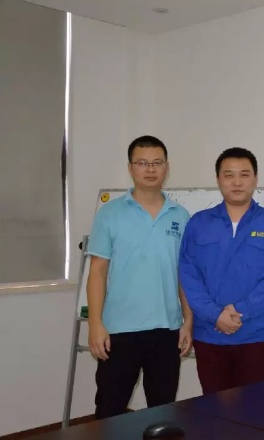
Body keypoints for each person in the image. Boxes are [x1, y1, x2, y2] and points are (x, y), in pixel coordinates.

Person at [86, 135, 193, 420]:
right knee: (110, 412)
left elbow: (184, 274)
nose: (150, 169)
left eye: (157, 162)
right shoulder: (110, 214)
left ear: (167, 167)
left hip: (167, 330)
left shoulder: (181, 216)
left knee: (162, 412)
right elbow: (97, 271)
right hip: (119, 330)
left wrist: (188, 321)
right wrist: (95, 324)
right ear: (130, 167)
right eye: (142, 163)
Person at [178, 147, 264, 394]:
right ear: (218, 179)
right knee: (213, 407)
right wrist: (215, 314)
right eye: (229, 175)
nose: (237, 182)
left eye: (244, 175)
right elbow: (188, 275)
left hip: (255, 335)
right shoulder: (198, 223)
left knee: (253, 408)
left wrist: (241, 310)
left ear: (255, 179)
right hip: (209, 334)